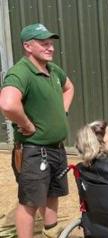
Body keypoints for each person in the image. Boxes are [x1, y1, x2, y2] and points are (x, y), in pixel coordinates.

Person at [0, 23, 74, 238]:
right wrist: (26, 125)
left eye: (50, 43)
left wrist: (62, 111)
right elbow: (7, 103)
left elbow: (69, 87)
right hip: (34, 152)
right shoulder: (21, 72)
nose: (50, 48)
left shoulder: (52, 70)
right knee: (29, 202)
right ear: (28, 46)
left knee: (52, 195)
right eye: (44, 44)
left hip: (56, 149)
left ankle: (50, 233)